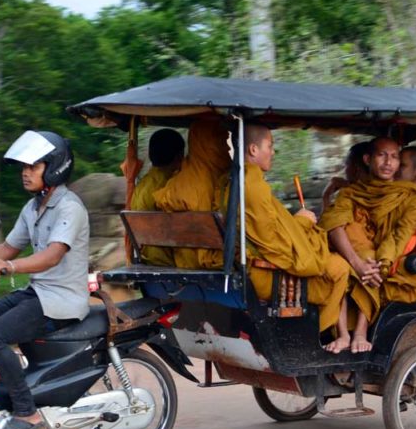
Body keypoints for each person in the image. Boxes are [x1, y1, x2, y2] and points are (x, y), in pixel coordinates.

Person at [0, 130, 89, 429]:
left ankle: (26, 412)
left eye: (34, 166)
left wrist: (9, 268)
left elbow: (51, 256)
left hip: (61, 300)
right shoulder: (33, 208)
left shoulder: (70, 207)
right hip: (37, 293)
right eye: (24, 167)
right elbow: (6, 248)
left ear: (54, 167)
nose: (25, 172)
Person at [240, 125, 351, 348]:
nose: (272, 152)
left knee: (337, 265)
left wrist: (296, 222)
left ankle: (336, 335)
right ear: (253, 149)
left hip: (255, 264)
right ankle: (320, 336)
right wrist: (301, 222)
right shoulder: (252, 187)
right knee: (340, 269)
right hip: (264, 274)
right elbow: (274, 244)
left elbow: (268, 229)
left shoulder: (243, 180)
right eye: (270, 146)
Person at [320, 138, 416, 352]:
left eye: (394, 157)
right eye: (382, 155)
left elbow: (399, 234)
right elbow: (333, 223)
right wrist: (355, 262)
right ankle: (341, 334)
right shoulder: (351, 193)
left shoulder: (411, 197)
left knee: (371, 259)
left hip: (384, 257)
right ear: (368, 159)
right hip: (354, 256)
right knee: (333, 262)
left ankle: (360, 332)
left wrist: (383, 263)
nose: (388, 162)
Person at [153, 117, 231, 268]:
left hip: (182, 263)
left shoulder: (179, 178)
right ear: (210, 144)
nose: (227, 147)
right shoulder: (217, 180)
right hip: (209, 264)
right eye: (222, 139)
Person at [131, 128, 185, 265]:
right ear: (180, 157)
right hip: (170, 261)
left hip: (147, 259)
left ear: (150, 156)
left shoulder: (141, 185)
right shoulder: (173, 187)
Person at [320, 140, 371, 209]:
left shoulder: (350, 197)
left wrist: (326, 196)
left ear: (356, 168)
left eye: (346, 164)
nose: (345, 170)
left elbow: (329, 219)